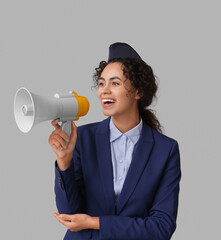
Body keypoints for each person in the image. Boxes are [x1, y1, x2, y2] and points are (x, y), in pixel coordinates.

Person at [49, 42, 181, 240]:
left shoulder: (165, 150)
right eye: (102, 83)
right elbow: (69, 213)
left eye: (115, 83)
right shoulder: (82, 138)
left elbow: (161, 228)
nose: (104, 91)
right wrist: (64, 162)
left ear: (138, 92)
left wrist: (95, 222)